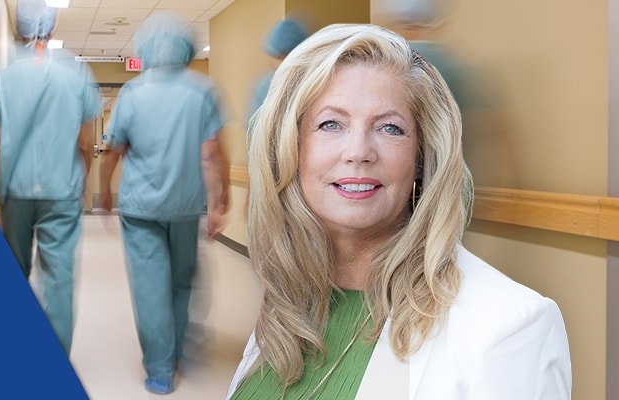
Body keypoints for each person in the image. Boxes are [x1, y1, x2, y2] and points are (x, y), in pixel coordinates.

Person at [225, 23, 571, 399]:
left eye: (390, 128)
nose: (358, 151)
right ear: (290, 150)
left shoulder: (509, 327)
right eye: (330, 124)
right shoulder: (293, 296)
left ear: (421, 158)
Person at [97, 11, 231, 395]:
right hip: (185, 206)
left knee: (150, 287)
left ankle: (159, 369)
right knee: (182, 281)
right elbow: (211, 153)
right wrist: (220, 198)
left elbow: (112, 152)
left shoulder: (132, 93)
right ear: (186, 49)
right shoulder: (203, 91)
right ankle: (181, 351)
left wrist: (105, 192)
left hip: (140, 209)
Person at [0, 0, 102, 356]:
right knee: (59, 278)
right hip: (61, 191)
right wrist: (80, 178)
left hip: (14, 192)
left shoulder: (0, 70)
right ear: (53, 24)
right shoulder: (75, 71)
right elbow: (85, 140)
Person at [248, 18, 309, 124]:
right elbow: (255, 127)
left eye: (281, 57)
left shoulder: (316, 80)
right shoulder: (266, 87)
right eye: (276, 57)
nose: (275, 63)